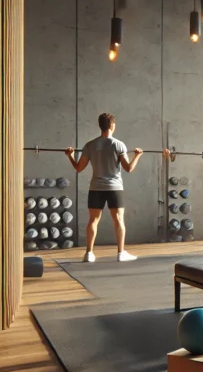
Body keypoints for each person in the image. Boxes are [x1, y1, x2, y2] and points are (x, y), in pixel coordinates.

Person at [64, 112, 155, 263]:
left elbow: (79, 168)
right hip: (114, 188)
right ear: (112, 125)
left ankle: (89, 253)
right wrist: (138, 155)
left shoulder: (90, 145)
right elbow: (129, 168)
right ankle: (120, 253)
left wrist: (70, 155)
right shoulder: (118, 145)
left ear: (100, 126)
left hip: (96, 188)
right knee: (119, 220)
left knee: (93, 220)